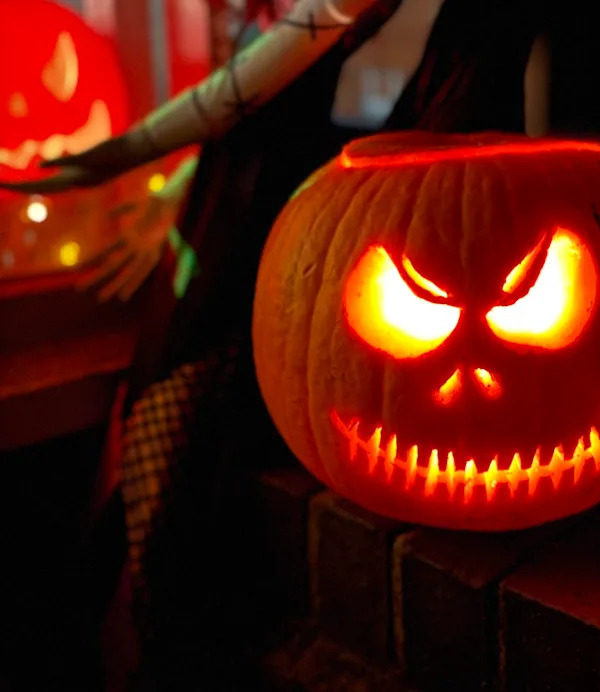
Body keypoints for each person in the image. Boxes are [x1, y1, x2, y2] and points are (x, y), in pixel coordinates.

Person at [0, 0, 548, 685]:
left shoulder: (471, 49)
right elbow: (245, 102)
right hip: (260, 301)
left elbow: (243, 102)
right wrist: (169, 179)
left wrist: (127, 156)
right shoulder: (322, 29)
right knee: (159, 485)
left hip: (337, 303)